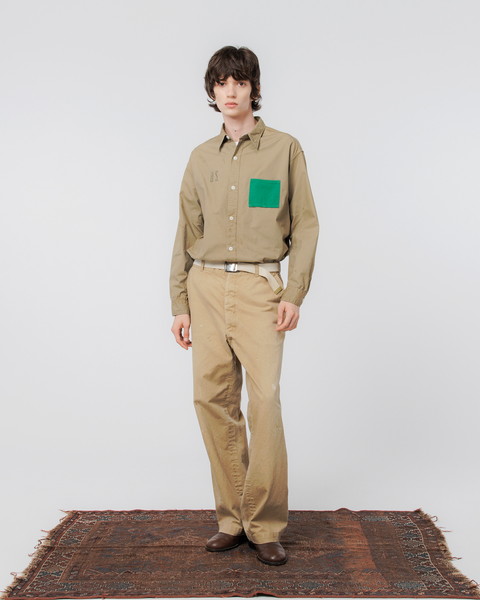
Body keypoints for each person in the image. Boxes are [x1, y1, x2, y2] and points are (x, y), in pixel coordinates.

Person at [169, 46, 319, 566]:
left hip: (260, 288)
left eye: (239, 82)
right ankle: (232, 519)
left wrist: (294, 292)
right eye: (221, 84)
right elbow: (186, 232)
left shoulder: (284, 149)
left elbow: (305, 224)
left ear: (254, 88)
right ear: (212, 92)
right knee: (212, 399)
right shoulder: (200, 158)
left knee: (265, 402)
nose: (230, 92)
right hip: (206, 287)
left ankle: (265, 524)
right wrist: (180, 302)